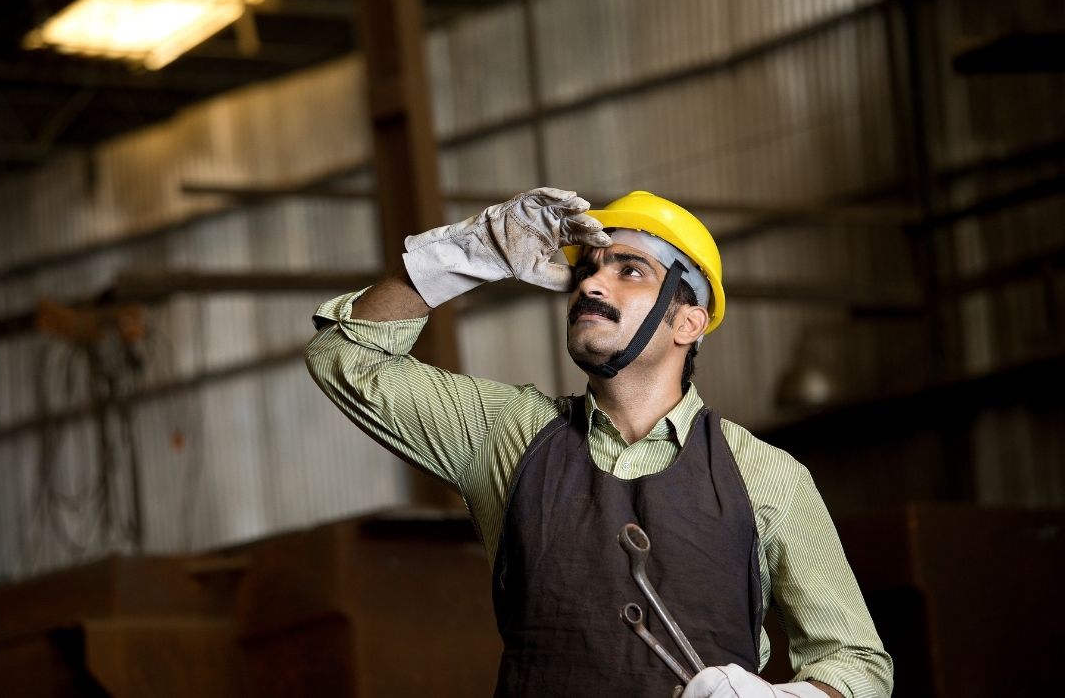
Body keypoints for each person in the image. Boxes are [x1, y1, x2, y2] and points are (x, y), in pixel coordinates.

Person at [305, 188, 893, 697]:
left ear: (688, 320)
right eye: (587, 269)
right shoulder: (507, 434)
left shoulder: (766, 475)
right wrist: (464, 257)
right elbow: (344, 355)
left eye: (628, 269)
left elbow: (859, 663)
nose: (590, 283)